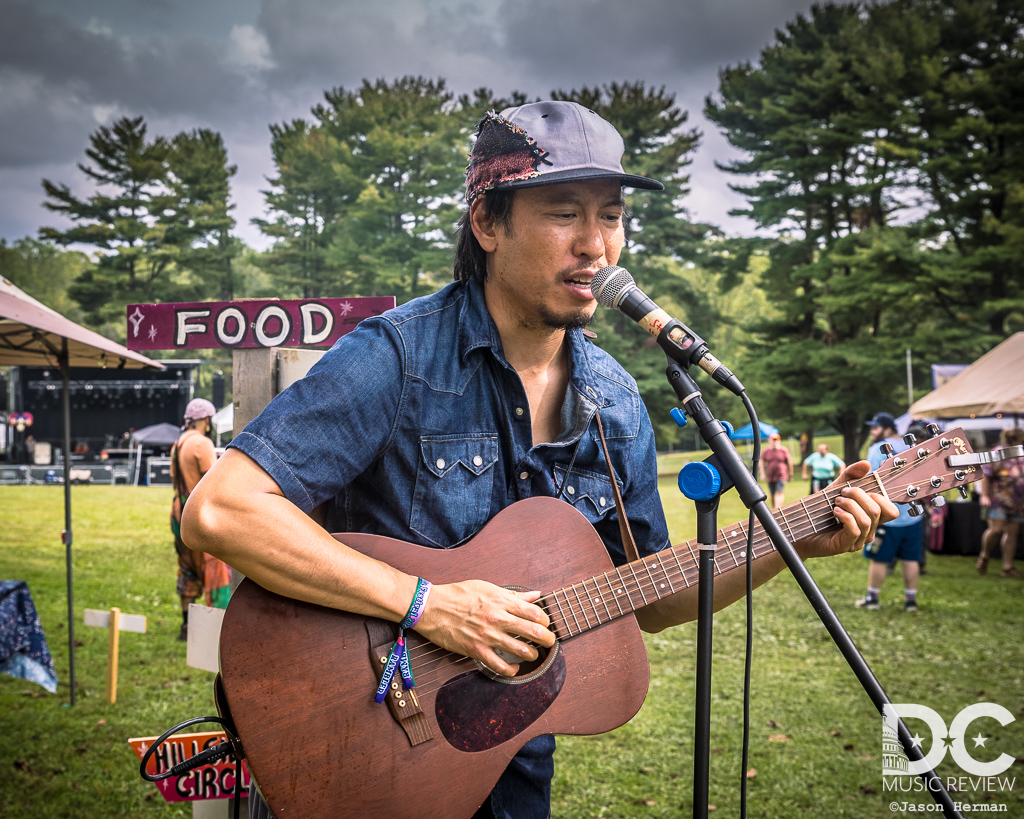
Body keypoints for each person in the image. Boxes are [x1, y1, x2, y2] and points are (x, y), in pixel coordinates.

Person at [182, 100, 893, 819]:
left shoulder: (614, 401)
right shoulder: (395, 357)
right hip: (361, 743)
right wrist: (429, 604)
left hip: (510, 762)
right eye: (564, 214)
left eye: (610, 216)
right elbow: (222, 508)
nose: (595, 245)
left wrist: (797, 532)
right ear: (488, 223)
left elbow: (648, 595)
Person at [170, 399, 231, 640]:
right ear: (205, 420)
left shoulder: (178, 443)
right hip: (198, 513)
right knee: (213, 568)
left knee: (187, 568)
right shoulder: (202, 443)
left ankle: (186, 625)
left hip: (177, 512)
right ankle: (214, 628)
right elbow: (212, 479)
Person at [855, 412, 923, 612]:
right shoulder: (912, 447)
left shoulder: (877, 449)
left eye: (875, 428)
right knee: (911, 558)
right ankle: (911, 602)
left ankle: (872, 599)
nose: (872, 432)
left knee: (879, 558)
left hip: (886, 516)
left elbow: (868, 481)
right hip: (913, 515)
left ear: (886, 429)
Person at [977, 427, 1024, 579]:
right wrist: (984, 495)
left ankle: (1007, 567)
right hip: (998, 498)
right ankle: (985, 555)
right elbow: (985, 474)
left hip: (1018, 501)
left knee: (1012, 532)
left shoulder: (1021, 453)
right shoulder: (998, 453)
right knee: (996, 530)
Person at [758, 433, 793, 508]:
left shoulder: (783, 450)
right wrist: (762, 473)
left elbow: (789, 462)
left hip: (781, 475)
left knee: (779, 492)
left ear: (779, 441)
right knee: (772, 494)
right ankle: (775, 510)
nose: (774, 442)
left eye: (776, 440)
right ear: (769, 441)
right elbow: (761, 461)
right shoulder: (766, 451)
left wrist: (790, 474)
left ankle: (777, 508)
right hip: (771, 475)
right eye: (773, 440)